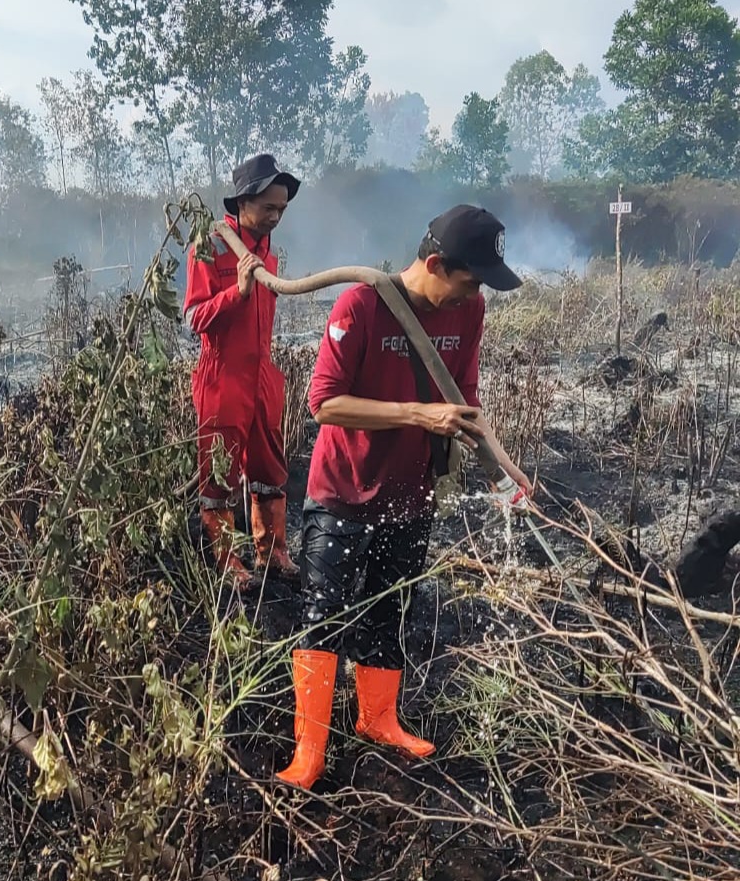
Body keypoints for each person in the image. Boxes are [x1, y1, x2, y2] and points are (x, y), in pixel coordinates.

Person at [276, 204, 533, 789]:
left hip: (410, 491)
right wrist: (416, 413)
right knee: (324, 616)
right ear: (436, 263)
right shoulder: (361, 306)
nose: (474, 295)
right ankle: (309, 750)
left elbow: (464, 404)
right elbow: (324, 403)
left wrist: (509, 472)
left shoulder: (470, 313)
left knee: (390, 609)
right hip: (342, 488)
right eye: (469, 281)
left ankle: (378, 719)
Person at [183, 154, 302, 589]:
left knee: (270, 469)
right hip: (223, 376)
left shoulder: (268, 251)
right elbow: (194, 316)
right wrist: (237, 291)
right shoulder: (209, 245)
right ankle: (228, 560)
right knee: (220, 475)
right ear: (243, 202)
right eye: (269, 207)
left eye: (282, 210)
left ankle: (273, 553)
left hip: (263, 376)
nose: (275, 217)